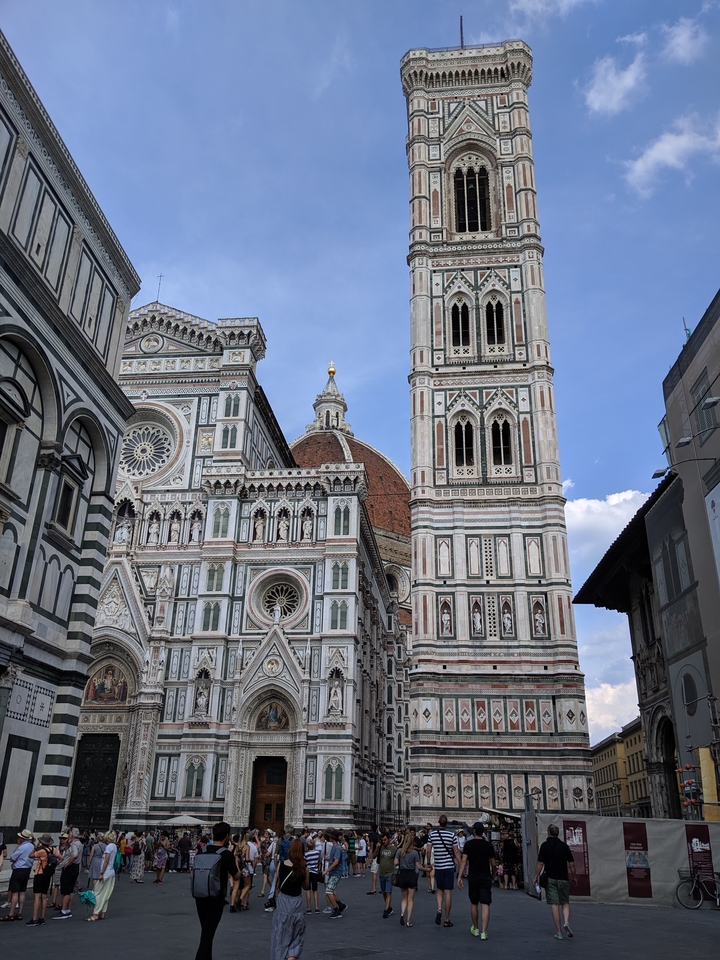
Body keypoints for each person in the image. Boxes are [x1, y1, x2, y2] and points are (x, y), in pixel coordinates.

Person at [193, 822, 238, 960]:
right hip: (215, 899)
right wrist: (235, 861)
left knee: (206, 932)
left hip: (200, 895)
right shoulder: (226, 854)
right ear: (227, 836)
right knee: (207, 935)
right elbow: (236, 876)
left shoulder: (203, 850)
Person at [533, 824, 577, 941]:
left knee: (554, 904)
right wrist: (574, 876)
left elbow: (540, 863)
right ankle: (566, 921)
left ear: (548, 832)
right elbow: (571, 863)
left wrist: (536, 876)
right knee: (565, 902)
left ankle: (558, 932)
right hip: (563, 878)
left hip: (551, 878)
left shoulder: (545, 846)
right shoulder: (564, 846)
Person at [457, 822, 496, 941]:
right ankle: (484, 932)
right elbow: (493, 863)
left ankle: (476, 928)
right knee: (485, 904)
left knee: (474, 903)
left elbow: (464, 861)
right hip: (485, 876)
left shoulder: (469, 845)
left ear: (474, 831)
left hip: (473, 877)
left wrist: (459, 876)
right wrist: (493, 874)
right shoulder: (488, 845)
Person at [271, 838, 308, 960]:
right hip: (296, 902)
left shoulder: (281, 864)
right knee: (296, 936)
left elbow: (277, 884)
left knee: (280, 935)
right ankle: (292, 956)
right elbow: (306, 886)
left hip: (283, 902)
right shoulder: (304, 867)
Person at [426, 815, 460, 927]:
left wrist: (429, 862)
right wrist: (460, 864)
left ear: (438, 822)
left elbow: (428, 850)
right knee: (448, 892)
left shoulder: (432, 834)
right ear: (447, 823)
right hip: (449, 867)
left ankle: (439, 909)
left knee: (440, 890)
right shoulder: (452, 835)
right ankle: (446, 919)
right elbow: (456, 851)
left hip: (439, 866)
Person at [394, 830, 428, 927]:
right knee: (410, 899)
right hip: (411, 874)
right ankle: (408, 921)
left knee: (404, 898)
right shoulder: (414, 853)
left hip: (402, 874)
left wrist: (401, 862)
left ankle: (402, 913)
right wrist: (427, 869)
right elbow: (419, 866)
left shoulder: (399, 851)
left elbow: (395, 863)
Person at [26, 833, 60, 926]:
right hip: (48, 874)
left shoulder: (42, 851)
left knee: (37, 896)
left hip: (40, 873)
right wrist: (54, 865)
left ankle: (34, 918)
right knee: (44, 896)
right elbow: (61, 858)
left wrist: (36, 847)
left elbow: (30, 855)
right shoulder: (53, 849)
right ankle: (42, 918)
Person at [2, 829, 35, 921]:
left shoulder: (22, 847)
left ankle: (11, 913)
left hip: (19, 869)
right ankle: (19, 912)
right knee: (22, 891)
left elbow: (12, 858)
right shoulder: (32, 846)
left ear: (22, 838)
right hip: (27, 869)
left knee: (15, 892)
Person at [88, 831, 118, 921]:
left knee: (98, 893)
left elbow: (106, 861)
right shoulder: (114, 846)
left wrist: (101, 873)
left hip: (106, 873)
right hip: (111, 872)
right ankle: (102, 913)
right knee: (106, 894)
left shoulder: (108, 847)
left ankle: (96, 913)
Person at [54, 827, 83, 920]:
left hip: (70, 868)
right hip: (75, 867)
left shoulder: (74, 844)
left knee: (66, 890)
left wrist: (67, 864)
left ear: (72, 835)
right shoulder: (79, 843)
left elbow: (74, 855)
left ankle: (63, 910)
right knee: (70, 889)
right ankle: (68, 909)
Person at [322, 829, 346, 919]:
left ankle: (336, 910)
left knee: (329, 891)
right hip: (334, 872)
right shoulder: (335, 847)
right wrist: (328, 859)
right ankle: (340, 905)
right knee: (331, 890)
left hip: (336, 872)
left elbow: (336, 862)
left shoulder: (337, 848)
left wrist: (326, 870)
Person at [377, 833, 397, 918]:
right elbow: (374, 856)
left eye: (385, 840)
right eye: (382, 840)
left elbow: (397, 859)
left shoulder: (394, 849)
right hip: (381, 873)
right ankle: (389, 907)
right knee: (384, 892)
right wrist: (377, 848)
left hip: (390, 873)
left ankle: (385, 910)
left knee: (388, 892)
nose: (384, 841)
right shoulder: (381, 847)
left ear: (389, 839)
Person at [304, 840, 321, 914]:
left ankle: (309, 908)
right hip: (315, 872)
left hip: (308, 872)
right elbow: (319, 862)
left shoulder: (306, 854)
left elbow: (305, 863)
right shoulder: (317, 853)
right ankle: (317, 907)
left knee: (308, 890)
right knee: (315, 890)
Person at [365, 823, 380, 895]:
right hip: (380, 854)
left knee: (374, 872)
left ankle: (374, 889)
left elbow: (371, 847)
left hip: (375, 855)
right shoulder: (378, 835)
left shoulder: (371, 836)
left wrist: (370, 857)